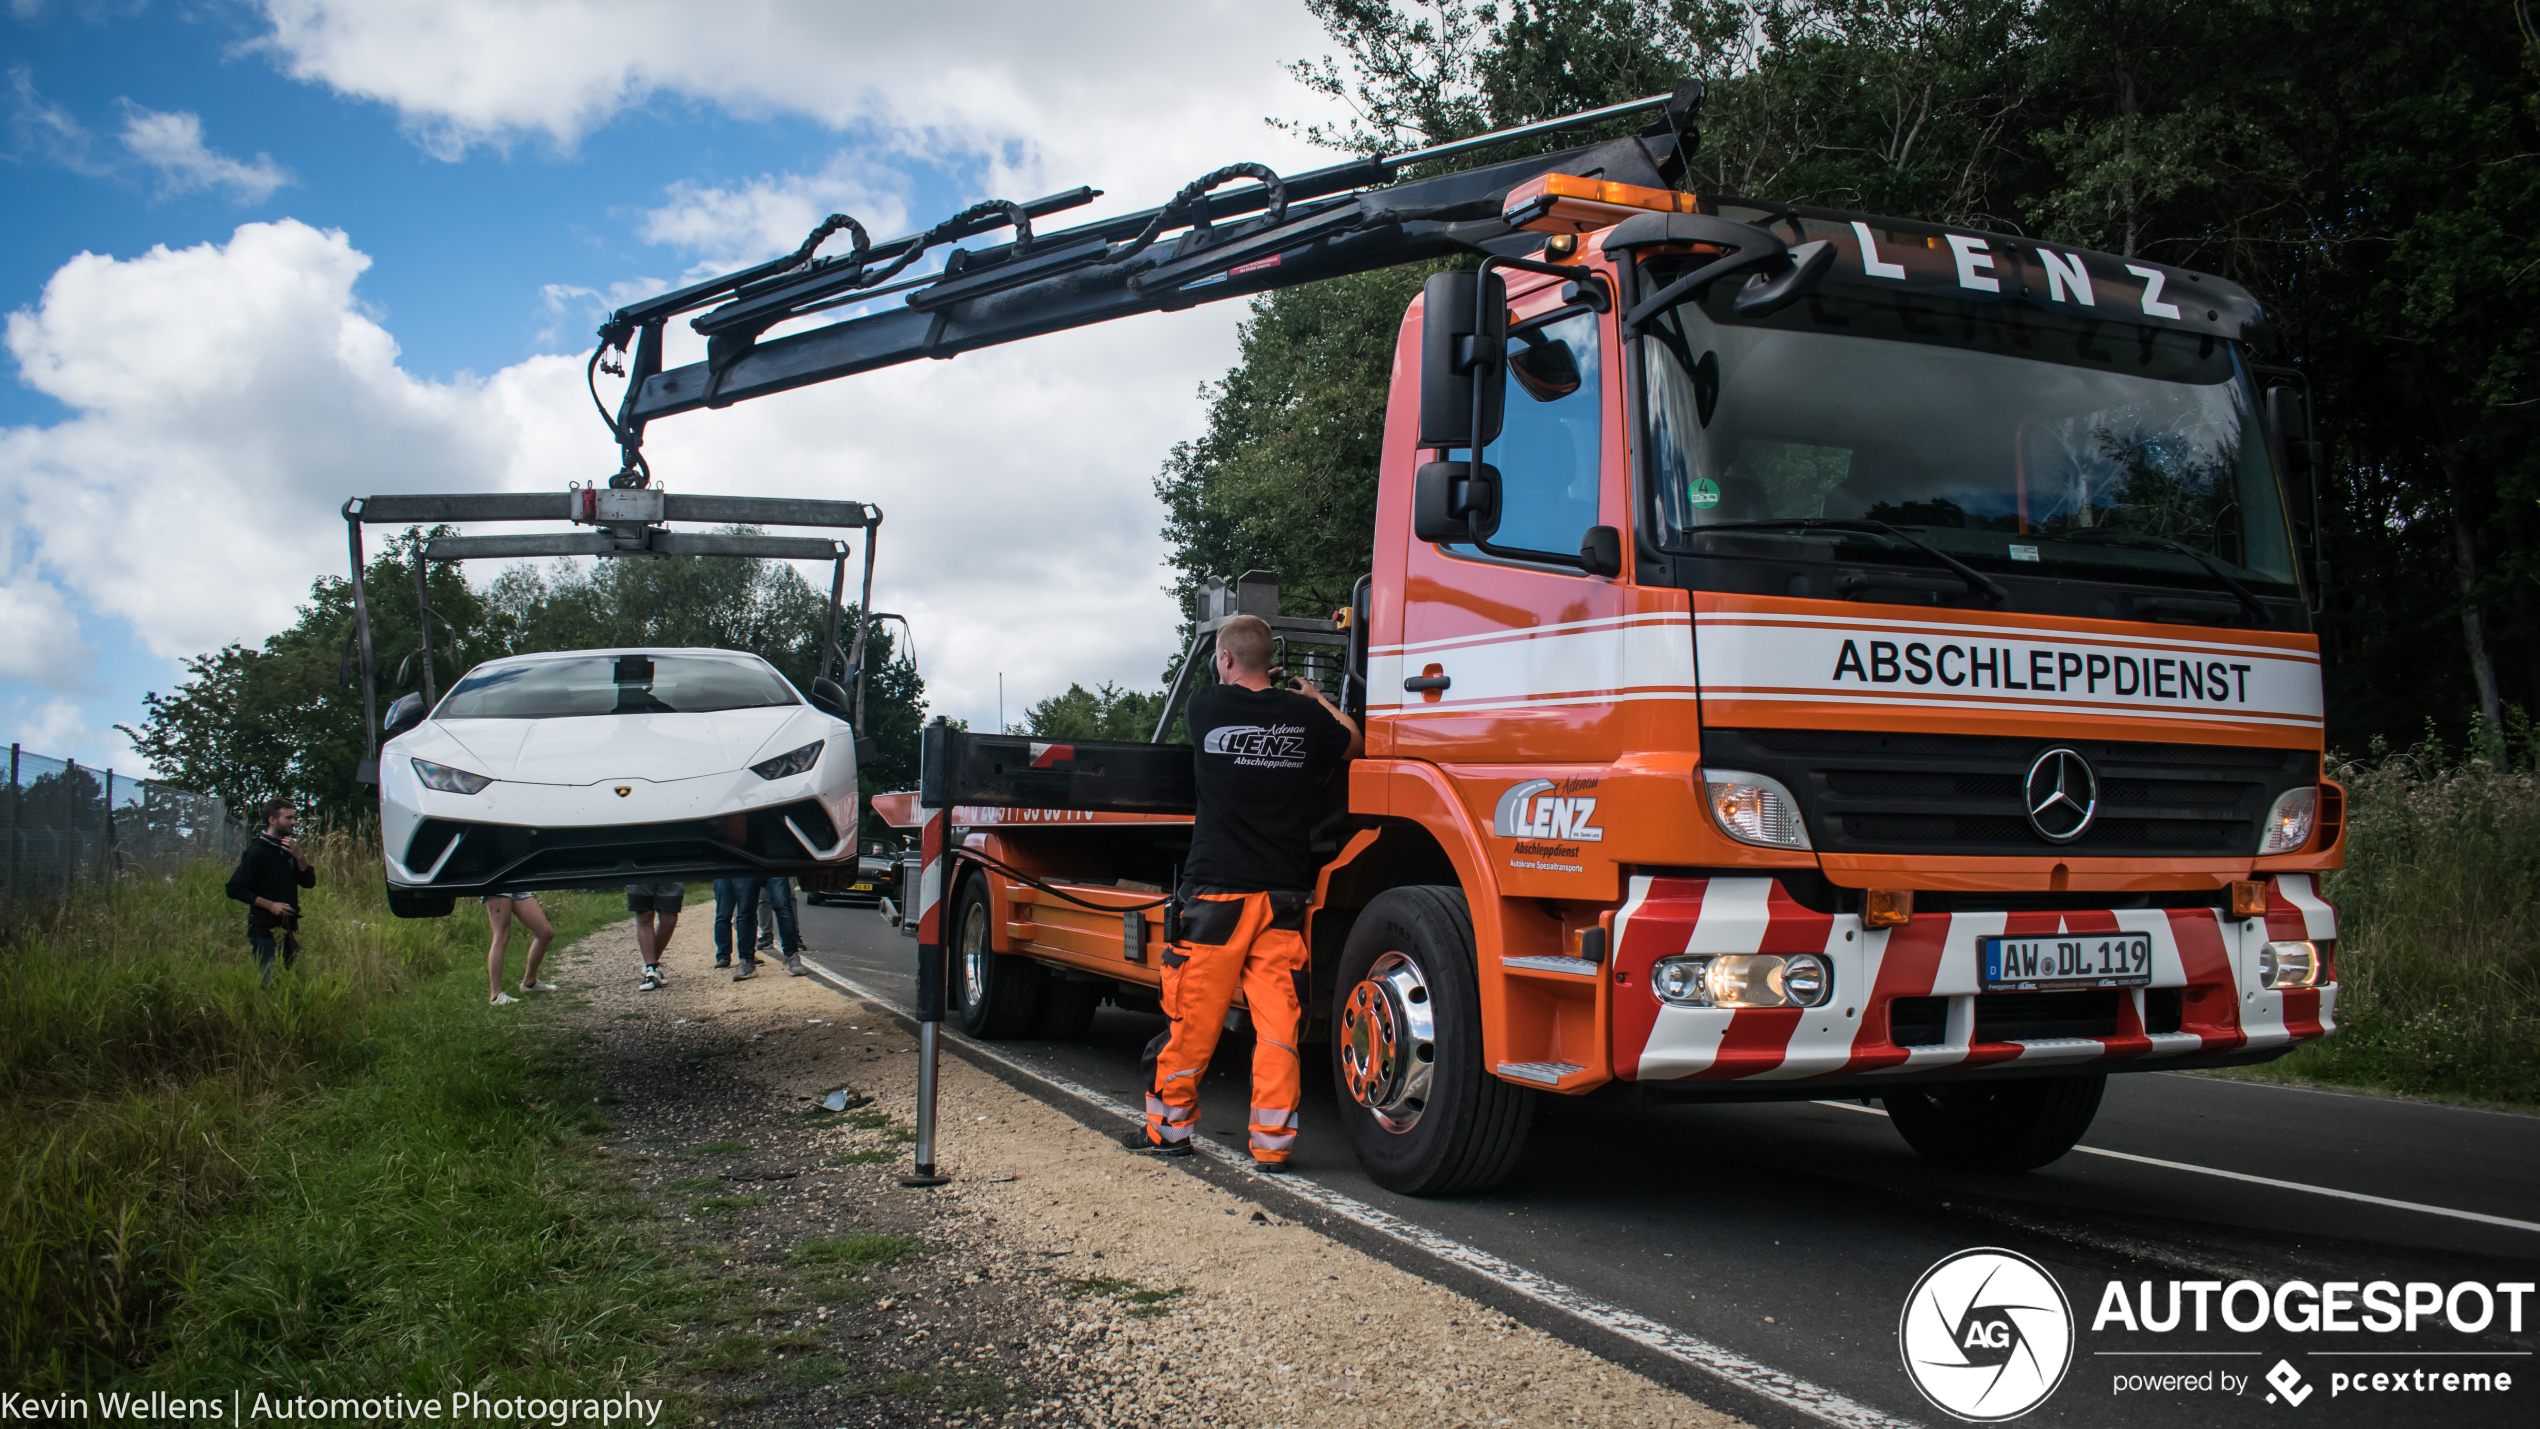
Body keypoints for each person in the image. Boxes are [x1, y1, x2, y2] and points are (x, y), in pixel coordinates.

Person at [1128, 613, 1360, 1172]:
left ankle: (1170, 1132)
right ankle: (1273, 1145)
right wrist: (1314, 697)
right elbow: (1353, 742)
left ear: (1226, 660)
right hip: (1282, 895)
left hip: (1218, 898)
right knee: (1278, 1023)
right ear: (1272, 664)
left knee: (1193, 1019)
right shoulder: (1303, 716)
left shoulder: (1206, 707)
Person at [225, 797, 316, 989]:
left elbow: (309, 883)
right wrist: (270, 905)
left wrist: (299, 856)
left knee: (295, 984)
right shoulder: (257, 852)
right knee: (270, 984)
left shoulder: (288, 849)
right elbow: (234, 888)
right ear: (272, 820)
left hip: (288, 929)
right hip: (263, 930)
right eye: (288, 818)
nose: (293, 822)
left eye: (294, 817)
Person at [713, 876, 806, 980]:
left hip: (772, 864)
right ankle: (747, 961)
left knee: (783, 907)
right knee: (745, 913)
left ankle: (792, 955)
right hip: (748, 867)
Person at [484, 890, 554, 1005]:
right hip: (497, 883)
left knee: (545, 933)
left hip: (518, 885)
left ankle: (530, 983)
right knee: (502, 936)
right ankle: (496, 995)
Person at [627, 880, 684, 990]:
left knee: (669, 916)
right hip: (639, 868)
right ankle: (651, 967)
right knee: (644, 914)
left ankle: (651, 964)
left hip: (671, 867)